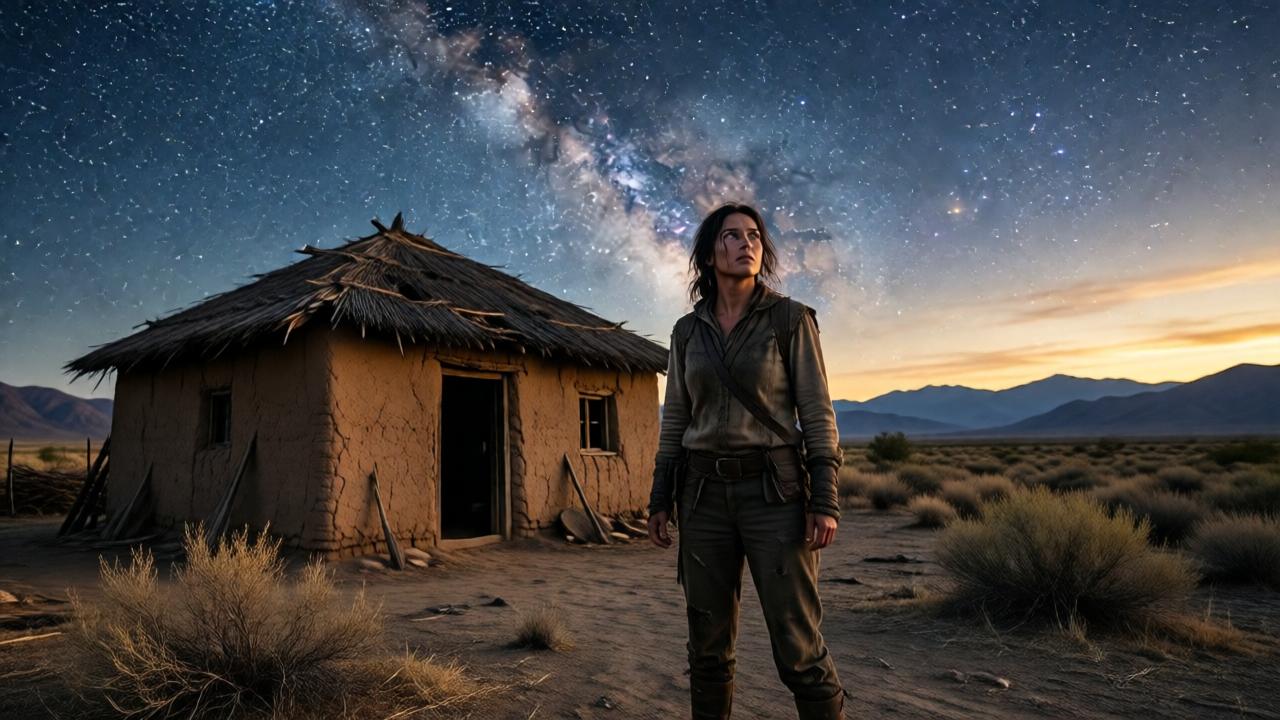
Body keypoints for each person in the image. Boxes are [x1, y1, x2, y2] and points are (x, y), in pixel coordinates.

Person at [647, 202, 846, 719]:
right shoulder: (687, 332)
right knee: (707, 649)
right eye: (732, 236)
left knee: (798, 648)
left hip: (774, 494)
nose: (746, 244)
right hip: (702, 497)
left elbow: (817, 413)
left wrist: (824, 499)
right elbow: (676, 419)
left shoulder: (790, 320)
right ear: (709, 254)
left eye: (754, 235)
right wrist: (660, 496)